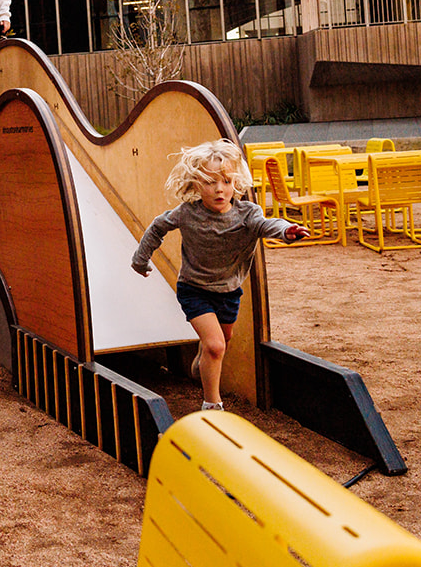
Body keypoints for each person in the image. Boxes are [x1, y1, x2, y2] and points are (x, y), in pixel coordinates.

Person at [130, 139, 309, 411]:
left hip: (229, 291)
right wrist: (140, 259)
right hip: (194, 289)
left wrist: (286, 231)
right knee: (216, 346)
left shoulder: (247, 214)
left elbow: (266, 225)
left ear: (234, 182)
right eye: (210, 182)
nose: (219, 189)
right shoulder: (187, 213)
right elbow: (157, 227)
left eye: (225, 181)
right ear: (196, 184)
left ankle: (202, 358)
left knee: (222, 341)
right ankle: (212, 405)